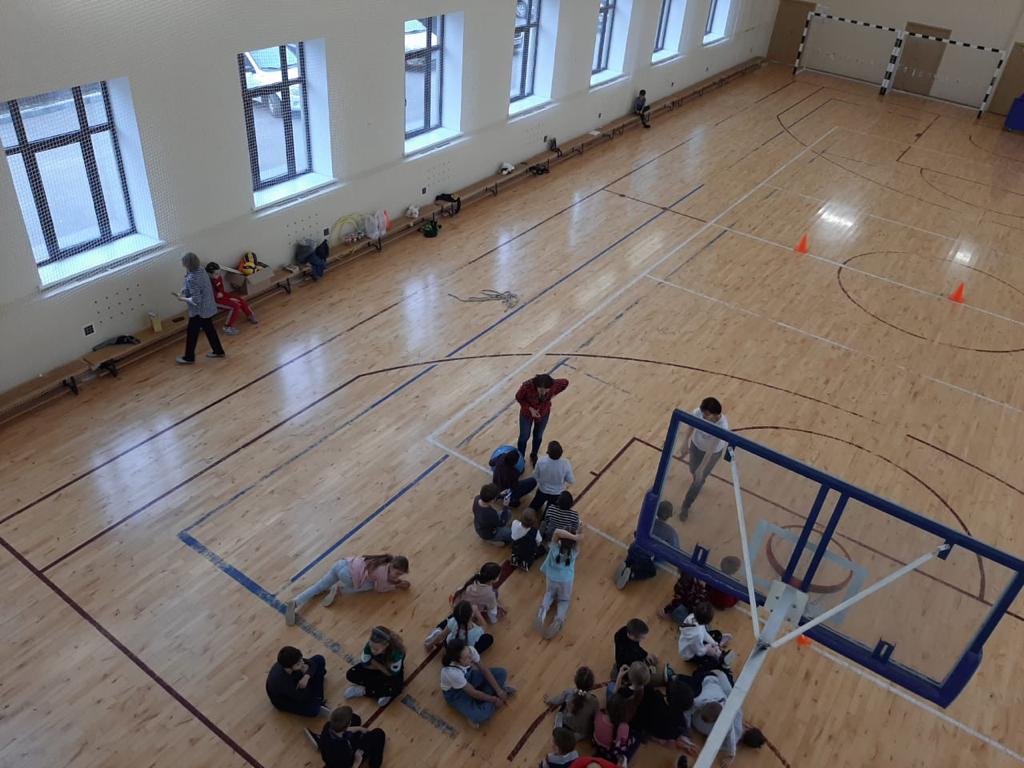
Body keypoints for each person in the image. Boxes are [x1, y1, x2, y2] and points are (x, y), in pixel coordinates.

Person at [285, 554, 410, 626]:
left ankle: (295, 602)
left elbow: (385, 576)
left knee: (318, 586)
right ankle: (340, 590)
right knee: (371, 585)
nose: (398, 576)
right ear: (392, 566)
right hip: (347, 576)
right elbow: (380, 588)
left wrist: (395, 580)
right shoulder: (382, 573)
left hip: (341, 564)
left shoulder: (384, 560)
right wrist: (397, 585)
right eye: (398, 574)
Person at [691, 670, 766, 766]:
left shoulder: (738, 714)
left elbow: (730, 692)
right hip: (695, 722)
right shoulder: (728, 745)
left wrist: (720, 674)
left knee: (727, 684)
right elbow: (708, 741)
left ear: (748, 727)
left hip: (703, 700)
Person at [440, 638, 515, 728]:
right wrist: (495, 700)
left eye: (469, 653)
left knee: (501, 673)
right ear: (457, 661)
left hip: (470, 678)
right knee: (481, 715)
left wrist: (499, 691)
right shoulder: (451, 672)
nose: (470, 658)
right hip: (457, 694)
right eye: (466, 658)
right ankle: (478, 708)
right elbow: (473, 693)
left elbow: (484, 669)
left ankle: (482, 702)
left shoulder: (470, 650)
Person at [678, 397, 730, 520]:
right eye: (703, 413)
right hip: (695, 445)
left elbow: (711, 449)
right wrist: (685, 442)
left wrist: (702, 468)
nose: (703, 416)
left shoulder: (722, 427)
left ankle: (686, 505)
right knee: (693, 470)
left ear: (715, 414)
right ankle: (699, 478)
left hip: (712, 454)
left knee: (698, 480)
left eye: (706, 415)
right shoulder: (699, 412)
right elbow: (691, 426)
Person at [613, 500, 679, 588]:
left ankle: (626, 563)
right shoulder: (671, 533)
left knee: (633, 557)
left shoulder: (647, 521)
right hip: (645, 557)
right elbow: (674, 551)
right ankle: (631, 574)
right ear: (669, 516)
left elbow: (636, 533)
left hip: (633, 549)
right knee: (651, 572)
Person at [174, 251, 225, 364]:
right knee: (209, 329)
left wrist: (183, 299)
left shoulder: (193, 278)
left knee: (192, 333)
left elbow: (196, 300)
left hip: (199, 310)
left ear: (186, 264)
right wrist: (183, 291)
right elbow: (187, 280)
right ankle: (218, 351)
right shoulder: (201, 269)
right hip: (208, 306)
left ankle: (189, 357)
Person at [657, 557, 740, 623]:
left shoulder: (680, 586)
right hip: (704, 604)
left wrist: (666, 611)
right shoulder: (696, 578)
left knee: (677, 615)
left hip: (696, 608)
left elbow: (676, 602)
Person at [534, 527, 583, 639]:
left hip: (552, 578)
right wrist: (577, 535)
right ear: (573, 544)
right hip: (566, 581)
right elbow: (579, 539)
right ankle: (558, 620)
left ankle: (542, 613)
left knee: (549, 594)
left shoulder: (554, 547)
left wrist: (573, 536)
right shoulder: (574, 552)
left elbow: (556, 531)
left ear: (560, 539)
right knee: (564, 600)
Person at [304, 705, 387, 768]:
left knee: (356, 718)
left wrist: (359, 728)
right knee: (378, 734)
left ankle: (320, 741)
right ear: (348, 725)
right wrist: (357, 762)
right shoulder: (344, 749)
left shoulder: (328, 725)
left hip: (329, 753)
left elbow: (342, 730)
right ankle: (375, 765)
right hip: (348, 760)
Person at [343, 626, 405, 707]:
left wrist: (374, 663)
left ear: (386, 645)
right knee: (351, 674)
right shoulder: (370, 645)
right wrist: (381, 668)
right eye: (371, 647)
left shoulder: (397, 653)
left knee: (397, 688)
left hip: (390, 673)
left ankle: (364, 691)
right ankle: (382, 692)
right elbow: (365, 664)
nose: (372, 651)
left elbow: (391, 673)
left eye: (376, 649)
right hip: (380, 669)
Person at [515, 373, 569, 465]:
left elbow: (565, 382)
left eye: (546, 390)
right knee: (524, 437)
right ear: (536, 386)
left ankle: (534, 454)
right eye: (540, 390)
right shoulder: (527, 386)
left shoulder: (554, 384)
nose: (543, 393)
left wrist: (554, 394)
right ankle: (520, 457)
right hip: (527, 414)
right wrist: (530, 409)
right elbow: (518, 397)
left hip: (543, 414)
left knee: (538, 436)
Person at [266, 645, 329, 717]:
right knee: (313, 710)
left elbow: (311, 664)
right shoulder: (283, 682)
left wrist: (307, 676)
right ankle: (318, 699)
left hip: (295, 678)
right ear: (288, 667)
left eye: (301, 659)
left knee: (319, 659)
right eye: (298, 663)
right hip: (285, 699)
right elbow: (302, 697)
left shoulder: (291, 661)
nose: (302, 663)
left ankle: (317, 699)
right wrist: (307, 676)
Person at [544, 666, 599, 742]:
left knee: (561, 711)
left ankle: (560, 730)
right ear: (592, 684)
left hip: (566, 724)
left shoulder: (569, 692)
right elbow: (597, 717)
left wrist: (548, 700)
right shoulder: (594, 701)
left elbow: (557, 700)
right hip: (581, 733)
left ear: (575, 681)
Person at [205, 261, 257, 334]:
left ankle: (250, 314)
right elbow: (213, 296)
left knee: (240, 300)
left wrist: (227, 297)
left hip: (222, 295)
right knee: (235, 306)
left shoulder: (218, 277)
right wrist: (228, 299)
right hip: (214, 300)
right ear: (209, 274)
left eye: (219, 273)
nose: (218, 275)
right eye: (216, 273)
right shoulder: (206, 282)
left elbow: (221, 290)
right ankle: (227, 327)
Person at [426, 599, 494, 654]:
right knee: (489, 638)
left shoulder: (453, 621)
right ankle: (469, 658)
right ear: (471, 615)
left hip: (449, 646)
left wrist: (429, 645)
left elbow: (441, 636)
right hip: (462, 653)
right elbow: (485, 625)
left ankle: (439, 629)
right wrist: (477, 612)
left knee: (449, 620)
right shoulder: (477, 631)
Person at [530, 441, 575, 513]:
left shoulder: (541, 461)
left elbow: (535, 475)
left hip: (542, 490)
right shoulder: (566, 463)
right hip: (557, 494)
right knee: (549, 513)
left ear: (548, 452)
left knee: (532, 509)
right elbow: (571, 480)